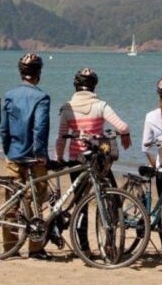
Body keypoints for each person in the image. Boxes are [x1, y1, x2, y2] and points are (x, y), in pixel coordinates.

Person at [55, 67, 131, 254]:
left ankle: (84, 249)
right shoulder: (101, 106)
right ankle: (110, 243)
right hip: (99, 160)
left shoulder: (67, 108)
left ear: (75, 85)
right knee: (111, 199)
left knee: (80, 205)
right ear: (94, 86)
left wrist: (59, 158)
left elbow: (61, 138)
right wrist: (125, 135)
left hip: (76, 161)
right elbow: (122, 126)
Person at [0, 52, 51, 259]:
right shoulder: (41, 98)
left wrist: (8, 150)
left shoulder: (10, 95)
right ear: (39, 73)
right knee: (36, 200)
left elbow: (4, 129)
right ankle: (35, 248)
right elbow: (40, 128)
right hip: (34, 158)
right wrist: (41, 154)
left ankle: (9, 246)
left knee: (12, 200)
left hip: (14, 154)